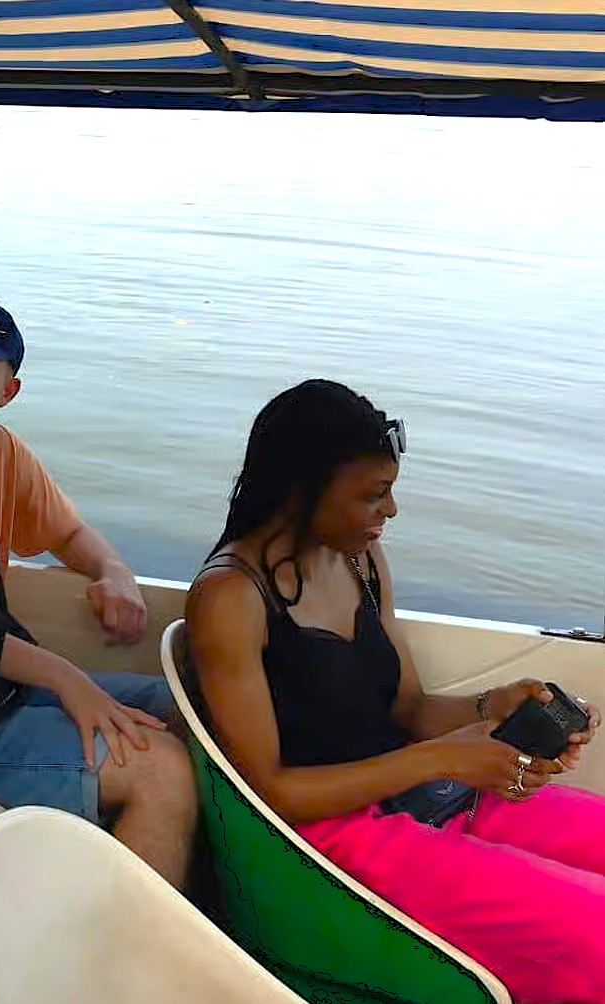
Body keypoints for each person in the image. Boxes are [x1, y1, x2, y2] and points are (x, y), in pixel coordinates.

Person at [185, 378, 605, 1004]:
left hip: (431, 795)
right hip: (333, 839)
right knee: (590, 926)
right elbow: (272, 792)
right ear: (304, 490)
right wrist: (443, 758)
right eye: (374, 495)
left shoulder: (360, 560)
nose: (391, 512)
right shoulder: (232, 598)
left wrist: (497, 706)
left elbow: (409, 708)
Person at [0, 297, 197, 888]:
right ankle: (121, 964)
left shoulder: (1, 453)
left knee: (185, 709)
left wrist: (113, 571)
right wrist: (68, 679)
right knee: (160, 769)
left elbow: (66, 532)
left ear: (7, 391)